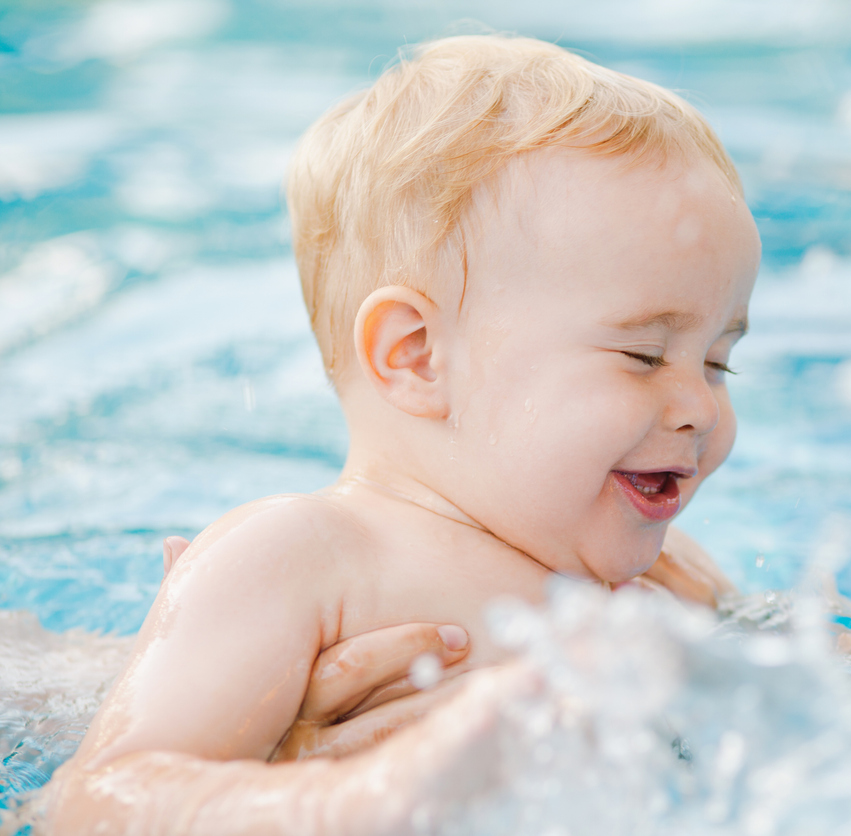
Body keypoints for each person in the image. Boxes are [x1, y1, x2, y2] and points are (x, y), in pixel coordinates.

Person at [42, 33, 758, 834]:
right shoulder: (299, 557)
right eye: (644, 355)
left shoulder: (669, 580)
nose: (700, 404)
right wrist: (352, 799)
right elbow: (94, 800)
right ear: (416, 355)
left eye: (721, 362)